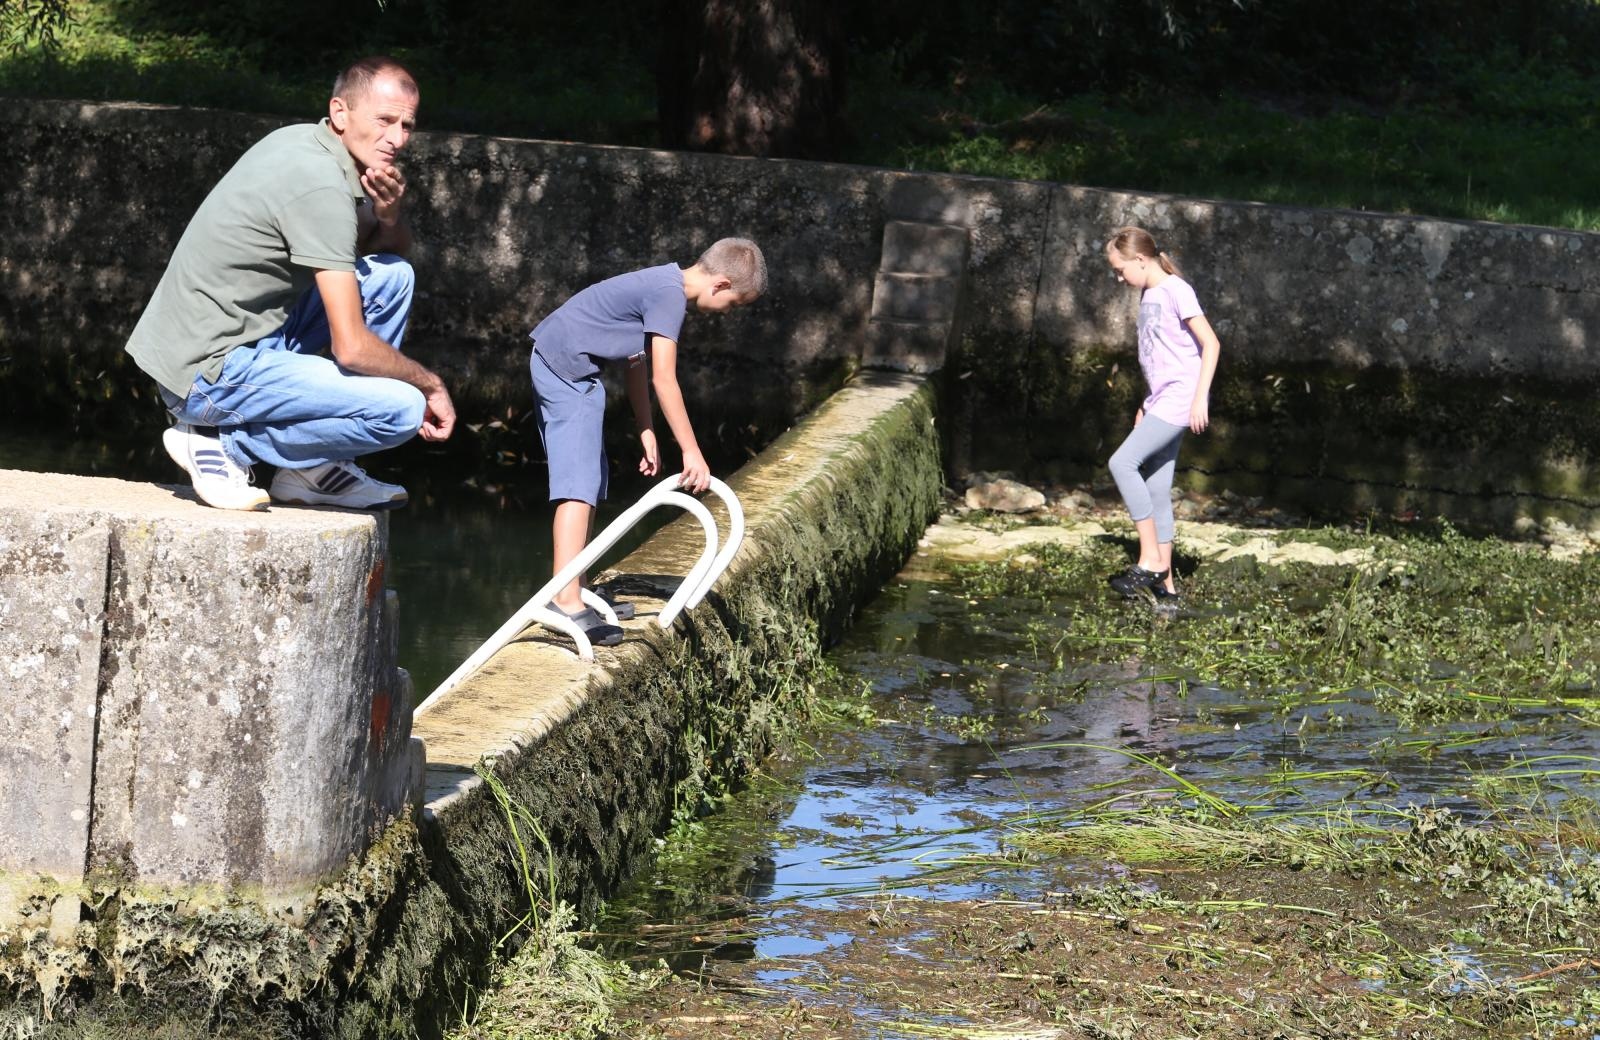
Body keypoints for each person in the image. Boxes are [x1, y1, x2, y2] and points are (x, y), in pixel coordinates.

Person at [125, 56, 455, 511]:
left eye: (407, 126)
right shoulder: (319, 186)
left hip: (244, 338)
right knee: (401, 409)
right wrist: (430, 385)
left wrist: (389, 214)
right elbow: (352, 347)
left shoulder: (306, 142)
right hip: (206, 372)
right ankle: (218, 442)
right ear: (341, 112)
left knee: (392, 278)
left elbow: (374, 253)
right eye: (384, 120)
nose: (397, 139)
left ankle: (312, 470)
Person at [528, 238, 767, 647]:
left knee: (590, 481)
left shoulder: (663, 288)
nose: (727, 314)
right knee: (577, 488)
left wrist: (646, 426)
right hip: (564, 371)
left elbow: (636, 361)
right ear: (722, 285)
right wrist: (691, 451)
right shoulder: (668, 296)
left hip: (569, 368)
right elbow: (664, 378)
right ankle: (563, 600)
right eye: (732, 305)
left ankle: (575, 584)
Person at [1103, 226, 1221, 600]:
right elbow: (1158, 357)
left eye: (1121, 270)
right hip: (1161, 399)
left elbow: (1211, 343)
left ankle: (1151, 559)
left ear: (1140, 259)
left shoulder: (1175, 290)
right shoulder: (1148, 292)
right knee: (1155, 487)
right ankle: (1167, 589)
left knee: (1121, 464)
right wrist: (1145, 401)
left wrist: (1200, 398)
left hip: (1181, 398)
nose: (1119, 278)